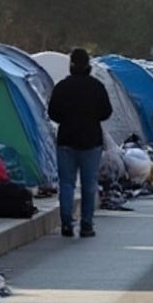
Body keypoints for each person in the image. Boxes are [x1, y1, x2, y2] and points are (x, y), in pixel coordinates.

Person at [47, 47, 113, 238]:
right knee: (89, 185)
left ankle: (67, 223)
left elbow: (53, 113)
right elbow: (106, 112)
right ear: (88, 65)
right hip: (91, 141)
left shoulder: (62, 87)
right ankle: (86, 225)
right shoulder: (97, 87)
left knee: (67, 184)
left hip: (66, 141)